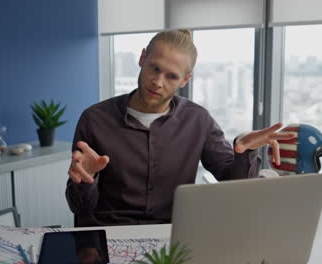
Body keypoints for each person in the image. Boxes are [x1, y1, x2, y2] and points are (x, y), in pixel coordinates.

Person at [66, 29, 295, 227]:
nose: (158, 82)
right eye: (154, 68)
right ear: (142, 58)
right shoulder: (95, 119)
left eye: (171, 76)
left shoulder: (198, 120)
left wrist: (243, 152)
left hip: (174, 236)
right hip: (108, 234)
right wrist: (86, 179)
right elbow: (80, 207)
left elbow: (232, 184)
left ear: (185, 80)